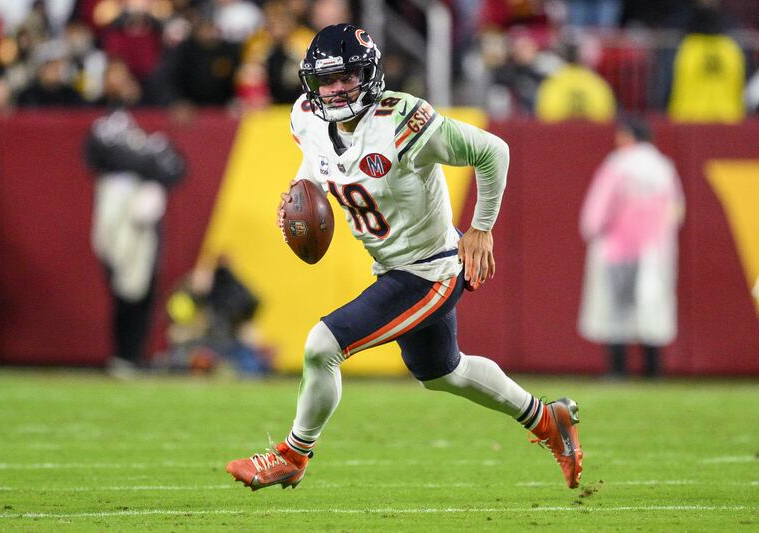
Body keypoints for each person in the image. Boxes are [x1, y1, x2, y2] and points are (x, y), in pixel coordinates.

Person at [226, 24, 583, 491]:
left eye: (346, 77)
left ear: (369, 75)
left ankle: (293, 454)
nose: (334, 90)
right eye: (326, 80)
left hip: (430, 269)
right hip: (394, 266)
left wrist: (481, 228)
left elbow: (493, 151)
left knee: (322, 346)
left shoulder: (402, 120)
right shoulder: (307, 117)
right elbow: (316, 162)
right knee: (443, 373)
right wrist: (300, 194)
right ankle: (546, 419)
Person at [578, 117, 685, 378]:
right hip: (654, 251)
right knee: (652, 309)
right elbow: (676, 211)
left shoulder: (618, 165)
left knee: (616, 311)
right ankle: (653, 370)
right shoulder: (664, 168)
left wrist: (592, 230)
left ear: (628, 136)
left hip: (616, 249)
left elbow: (596, 212)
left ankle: (617, 370)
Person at [84, 109, 185, 374]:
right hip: (117, 215)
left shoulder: (151, 142)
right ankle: (124, 355)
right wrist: (146, 161)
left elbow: (177, 169)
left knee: (141, 287)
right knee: (124, 285)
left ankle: (132, 355)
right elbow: (95, 153)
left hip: (143, 227)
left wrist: (145, 160)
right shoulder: (119, 138)